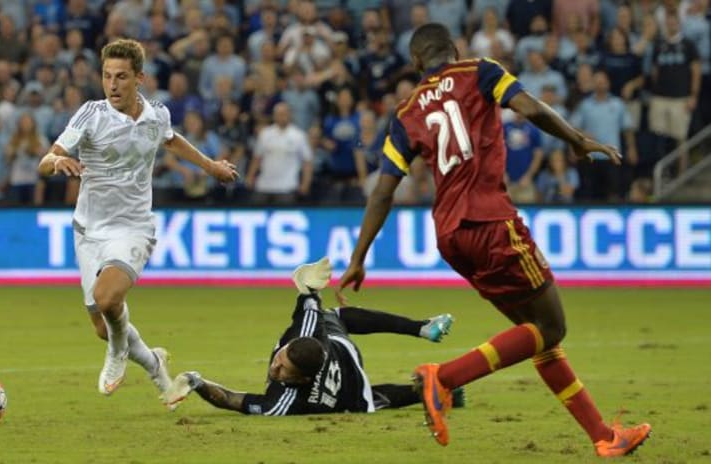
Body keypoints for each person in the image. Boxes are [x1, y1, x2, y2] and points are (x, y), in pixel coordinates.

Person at [336, 23, 650, 457]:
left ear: (415, 63)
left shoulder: (405, 112)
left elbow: (383, 191)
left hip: (450, 237)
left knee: (536, 333)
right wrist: (576, 141)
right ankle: (443, 377)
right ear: (455, 48)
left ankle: (604, 437)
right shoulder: (479, 71)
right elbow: (532, 110)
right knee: (553, 326)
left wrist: (358, 258)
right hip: (491, 222)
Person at [36, 38, 237, 397]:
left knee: (108, 299)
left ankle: (117, 353)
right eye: (107, 76)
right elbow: (45, 161)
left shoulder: (157, 114)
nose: (113, 85)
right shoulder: (91, 114)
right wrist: (58, 161)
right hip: (89, 230)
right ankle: (153, 363)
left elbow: (171, 140)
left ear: (139, 78)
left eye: (122, 77)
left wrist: (211, 167)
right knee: (102, 323)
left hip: (133, 227)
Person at [163, 258, 460, 416]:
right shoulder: (305, 330)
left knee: (368, 402)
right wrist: (309, 283)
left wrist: (196, 381)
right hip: (337, 347)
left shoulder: (285, 402)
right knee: (335, 316)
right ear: (290, 344)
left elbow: (231, 400)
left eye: (282, 371)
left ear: (301, 380)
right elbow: (310, 298)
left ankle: (431, 390)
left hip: (344, 386)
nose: (274, 369)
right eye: (279, 360)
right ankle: (423, 331)